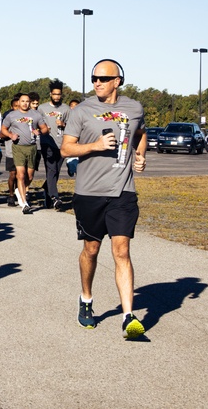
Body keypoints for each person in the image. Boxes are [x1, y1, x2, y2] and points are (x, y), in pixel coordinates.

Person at [61, 59, 147, 339]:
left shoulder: (134, 108)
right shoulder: (82, 111)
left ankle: (128, 317)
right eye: (93, 77)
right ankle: (86, 299)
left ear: (117, 81)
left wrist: (141, 155)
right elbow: (66, 149)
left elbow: (141, 134)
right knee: (92, 251)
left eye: (102, 78)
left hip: (123, 191)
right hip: (89, 192)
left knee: (121, 251)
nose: (96, 82)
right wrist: (95, 146)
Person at [0, 93, 49, 214]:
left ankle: (19, 191)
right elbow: (3, 130)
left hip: (32, 147)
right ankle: (24, 203)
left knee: (29, 176)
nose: (25, 103)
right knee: (20, 175)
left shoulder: (36, 114)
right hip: (18, 147)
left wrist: (40, 131)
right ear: (19, 102)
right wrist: (11, 135)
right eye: (22, 101)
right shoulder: (12, 115)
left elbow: (45, 129)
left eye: (27, 101)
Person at [38, 80, 71, 209]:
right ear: (50, 94)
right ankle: (55, 197)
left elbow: (72, 126)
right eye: (54, 94)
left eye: (59, 94)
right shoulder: (42, 108)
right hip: (47, 142)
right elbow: (37, 124)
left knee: (55, 171)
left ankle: (47, 192)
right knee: (51, 169)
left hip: (62, 143)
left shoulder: (66, 109)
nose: (57, 96)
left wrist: (63, 124)